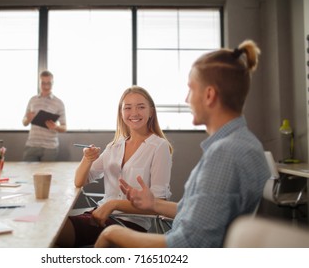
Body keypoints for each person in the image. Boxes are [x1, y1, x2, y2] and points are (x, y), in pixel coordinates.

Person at [95, 40, 271, 248]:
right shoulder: (239, 143)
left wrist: (113, 233)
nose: (187, 99)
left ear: (209, 95)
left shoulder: (225, 154)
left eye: (190, 89)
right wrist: (154, 204)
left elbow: (189, 244)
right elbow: (202, 212)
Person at [56, 86, 173, 247]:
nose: (134, 113)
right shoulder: (114, 146)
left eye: (141, 107)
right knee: (53, 230)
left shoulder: (159, 147)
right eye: (128, 107)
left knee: (56, 235)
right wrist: (87, 159)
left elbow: (158, 204)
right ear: (121, 113)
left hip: (129, 224)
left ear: (151, 112)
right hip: (100, 216)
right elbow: (79, 182)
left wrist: (113, 205)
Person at [22, 70, 66, 161]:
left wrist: (55, 127)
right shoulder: (32, 100)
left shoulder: (59, 103)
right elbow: (24, 122)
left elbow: (64, 127)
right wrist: (28, 119)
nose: (46, 86)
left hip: (50, 148)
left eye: (49, 83)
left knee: (47, 174)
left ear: (53, 83)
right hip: (32, 145)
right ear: (39, 83)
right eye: (43, 83)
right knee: (27, 173)